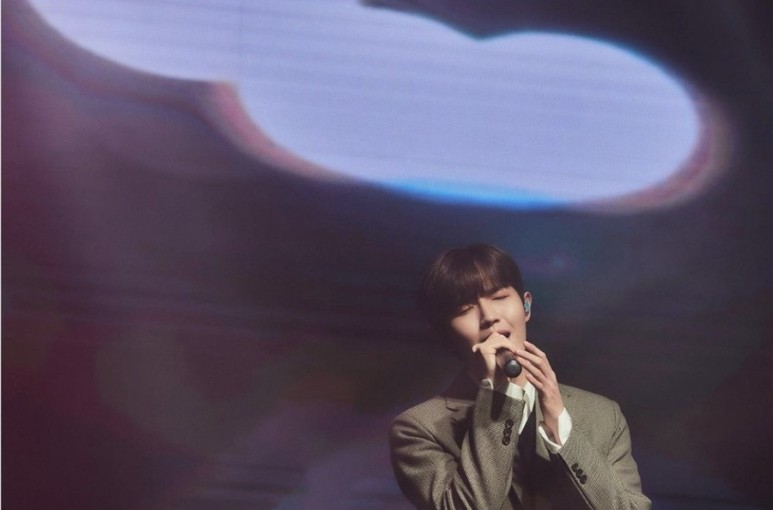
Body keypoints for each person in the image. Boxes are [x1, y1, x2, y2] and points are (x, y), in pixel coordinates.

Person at [389, 244, 651, 510]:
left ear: (526, 305)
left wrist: (562, 429)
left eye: (499, 297)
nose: (489, 317)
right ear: (446, 334)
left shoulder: (603, 415)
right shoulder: (419, 429)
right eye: (465, 309)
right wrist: (500, 399)